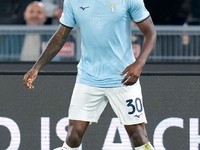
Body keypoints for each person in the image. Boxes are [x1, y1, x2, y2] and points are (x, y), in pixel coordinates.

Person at [23, 0, 157, 149]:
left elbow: (150, 31)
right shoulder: (72, 2)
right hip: (88, 77)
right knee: (73, 136)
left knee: (138, 135)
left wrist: (139, 63)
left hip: (123, 77)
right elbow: (60, 36)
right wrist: (37, 67)